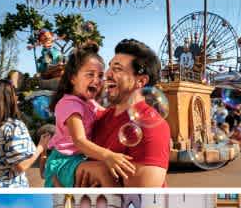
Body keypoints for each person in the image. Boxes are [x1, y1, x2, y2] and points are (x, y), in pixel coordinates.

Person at [73, 39, 171, 187]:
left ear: (141, 81)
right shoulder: (100, 118)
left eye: (117, 69)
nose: (107, 74)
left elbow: (141, 203)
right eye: (110, 67)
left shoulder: (152, 127)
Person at [42, 42, 134, 187]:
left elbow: (108, 115)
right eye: (90, 74)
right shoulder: (69, 104)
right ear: (72, 78)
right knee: (104, 171)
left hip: (79, 159)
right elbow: (79, 140)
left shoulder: (89, 102)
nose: (97, 81)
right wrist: (108, 155)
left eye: (100, 75)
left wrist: (128, 106)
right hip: (63, 162)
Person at [0, 79, 50, 187]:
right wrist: (41, 146)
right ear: (9, 99)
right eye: (14, 94)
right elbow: (21, 166)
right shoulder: (14, 127)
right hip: (10, 185)